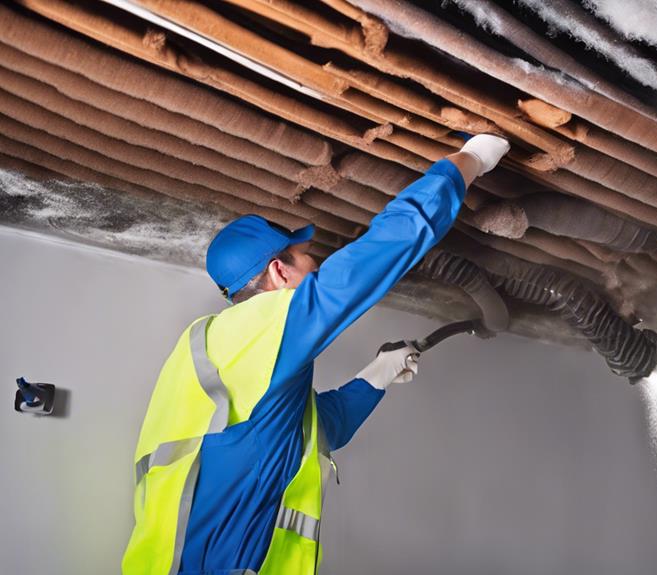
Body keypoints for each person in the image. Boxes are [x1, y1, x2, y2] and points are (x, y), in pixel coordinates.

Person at [122, 134, 510, 575]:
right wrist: (467, 162)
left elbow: (303, 437)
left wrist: (375, 378)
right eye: (306, 258)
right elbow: (370, 261)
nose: (316, 266)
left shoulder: (232, 358)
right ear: (278, 270)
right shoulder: (252, 331)